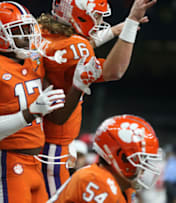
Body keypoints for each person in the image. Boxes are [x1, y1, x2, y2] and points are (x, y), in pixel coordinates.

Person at [0, 1, 98, 202]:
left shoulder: (33, 61)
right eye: (18, 31)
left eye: (28, 29)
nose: (27, 36)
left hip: (35, 161)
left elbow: (58, 117)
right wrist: (30, 112)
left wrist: (77, 86)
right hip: (8, 160)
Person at [36, 0, 157, 197]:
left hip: (44, 140)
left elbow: (67, 49)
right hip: (54, 146)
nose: (100, 22)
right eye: (97, 17)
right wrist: (132, 23)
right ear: (78, 15)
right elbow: (113, 71)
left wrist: (114, 31)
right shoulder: (76, 47)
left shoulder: (42, 32)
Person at [47, 114, 163, 203]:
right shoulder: (96, 180)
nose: (144, 167)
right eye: (142, 159)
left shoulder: (125, 187)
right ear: (122, 157)